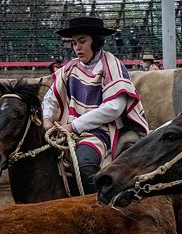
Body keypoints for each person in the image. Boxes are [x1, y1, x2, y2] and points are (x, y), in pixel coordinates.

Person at [42, 16, 149, 194]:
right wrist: (46, 120)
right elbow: (49, 98)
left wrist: (73, 126)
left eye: (82, 41)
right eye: (74, 42)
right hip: (69, 130)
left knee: (85, 164)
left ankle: (100, 207)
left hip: (101, 131)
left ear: (96, 40)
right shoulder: (70, 68)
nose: (77, 47)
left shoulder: (112, 64)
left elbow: (114, 108)